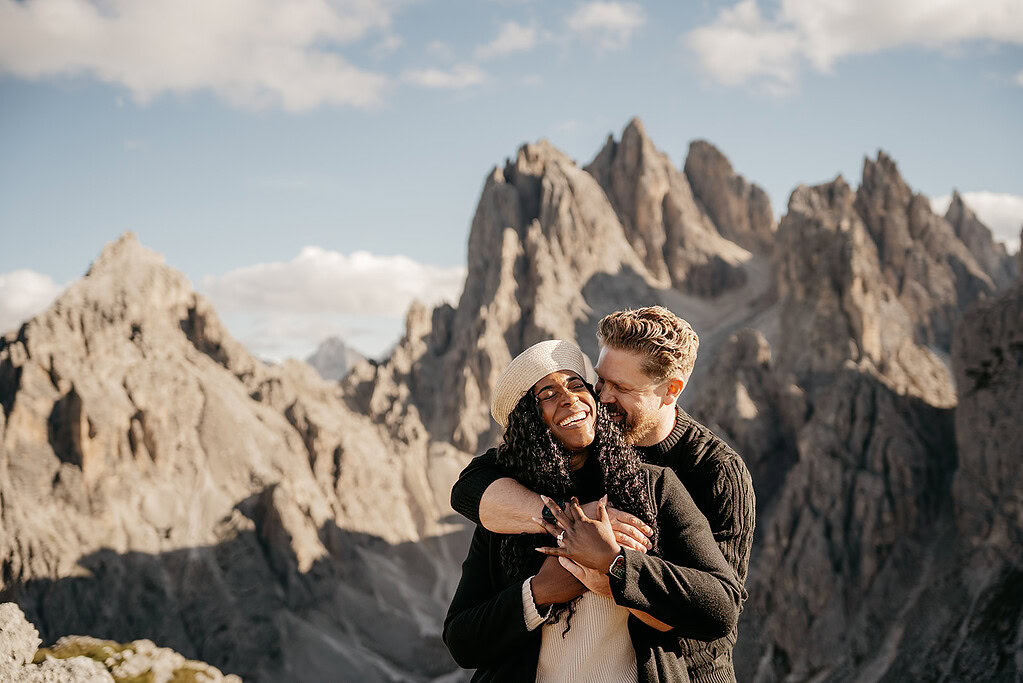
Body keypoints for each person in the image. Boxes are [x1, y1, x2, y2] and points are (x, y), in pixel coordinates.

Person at [450, 307, 755, 683]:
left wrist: (614, 571)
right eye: (598, 382)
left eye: (621, 388)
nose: (600, 398)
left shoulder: (690, 476)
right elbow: (468, 487)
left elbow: (716, 614)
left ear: (669, 391)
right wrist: (564, 529)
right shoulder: (515, 494)